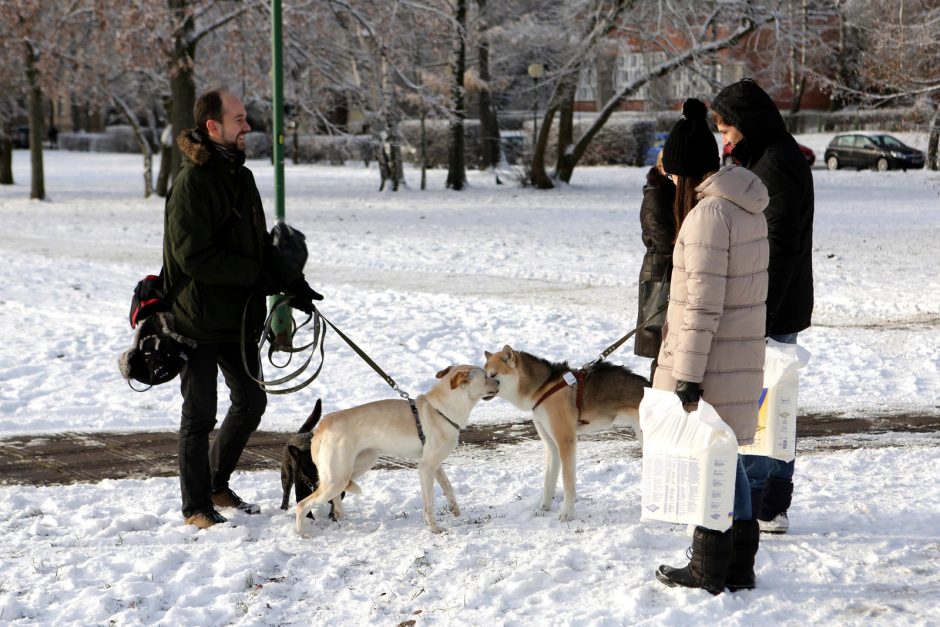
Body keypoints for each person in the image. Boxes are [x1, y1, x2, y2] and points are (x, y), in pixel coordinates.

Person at [163, 88, 323, 529]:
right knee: (199, 416)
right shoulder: (192, 183)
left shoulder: (242, 177)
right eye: (238, 119)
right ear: (212, 127)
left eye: (245, 117)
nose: (247, 125)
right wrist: (258, 277)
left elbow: (254, 249)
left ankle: (217, 482)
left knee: (251, 401)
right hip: (194, 320)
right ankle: (196, 507)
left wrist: (293, 281)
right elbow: (195, 257)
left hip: (238, 319)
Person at [651, 98, 769, 594]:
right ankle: (737, 567)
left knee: (709, 465)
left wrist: (687, 377)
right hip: (738, 358)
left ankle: (708, 568)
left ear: (682, 174)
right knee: (731, 463)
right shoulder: (745, 206)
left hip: (712, 364)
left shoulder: (706, 217)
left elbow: (700, 308)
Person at [711, 78, 815, 535]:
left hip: (772, 309)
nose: (723, 136)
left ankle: (759, 504)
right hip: (774, 306)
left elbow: (780, 246)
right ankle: (769, 503)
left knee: (765, 410)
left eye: (726, 126)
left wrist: (763, 319)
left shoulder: (774, 165)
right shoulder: (771, 156)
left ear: (746, 124)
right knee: (774, 407)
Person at [634, 150, 675, 380]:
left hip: (665, 269)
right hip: (660, 274)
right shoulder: (656, 196)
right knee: (661, 340)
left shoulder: (669, 193)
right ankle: (657, 395)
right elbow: (663, 241)